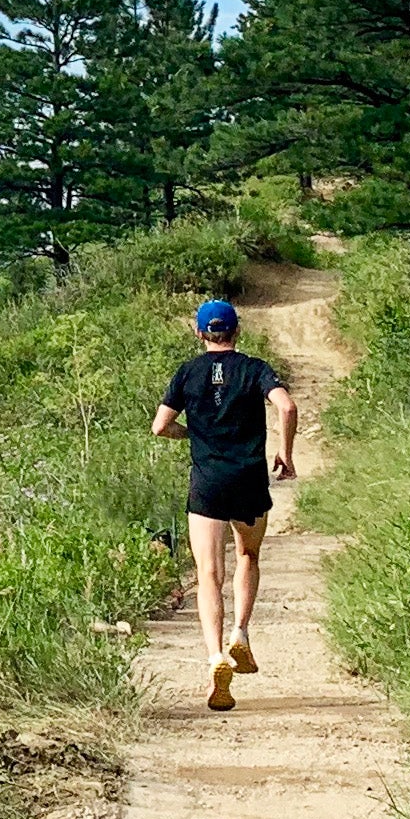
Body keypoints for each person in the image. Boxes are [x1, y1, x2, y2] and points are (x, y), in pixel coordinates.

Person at [152, 297, 294, 711]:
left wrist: (192, 435)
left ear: (200, 333)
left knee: (208, 573)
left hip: (207, 484)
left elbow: (160, 427)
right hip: (248, 478)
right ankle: (241, 634)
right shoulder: (254, 369)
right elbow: (286, 405)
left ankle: (216, 656)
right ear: (237, 331)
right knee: (248, 554)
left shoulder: (187, 373)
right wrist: (286, 453)